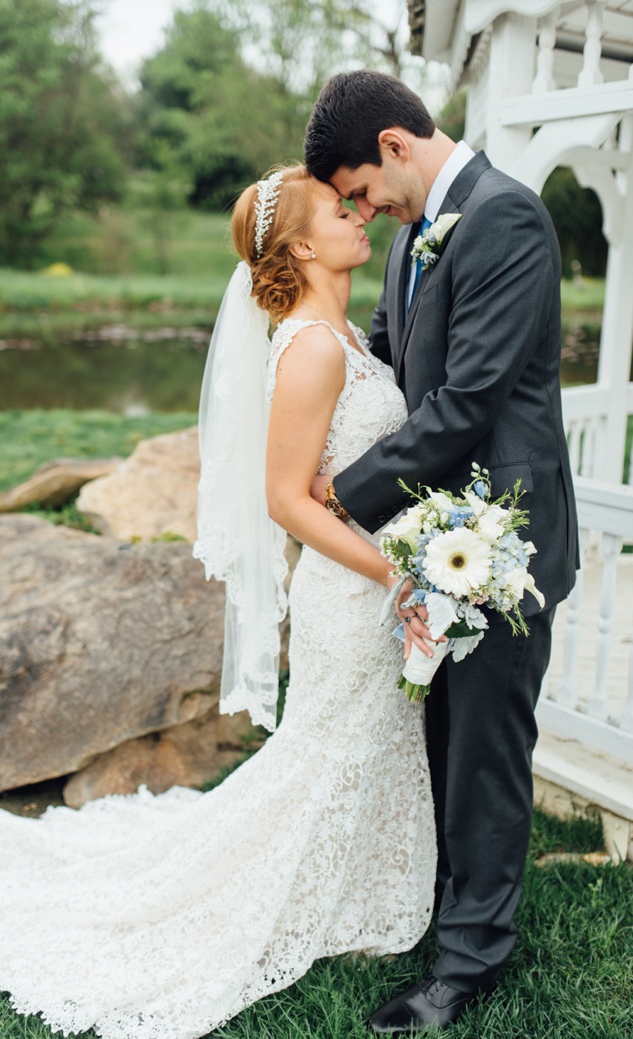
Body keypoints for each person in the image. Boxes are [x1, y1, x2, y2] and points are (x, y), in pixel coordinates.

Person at [0, 164, 436, 1039]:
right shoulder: (315, 347)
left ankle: (359, 893)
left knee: (348, 747)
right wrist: (393, 573)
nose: (360, 215)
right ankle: (308, 900)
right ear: (301, 246)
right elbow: (286, 499)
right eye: (339, 209)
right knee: (326, 752)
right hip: (354, 589)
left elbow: (332, 477)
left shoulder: (341, 332)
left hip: (365, 576)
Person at [303, 70, 578, 1032]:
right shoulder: (418, 230)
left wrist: (339, 492)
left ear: (394, 144)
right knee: (445, 733)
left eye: (359, 190)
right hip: (436, 533)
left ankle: (467, 964)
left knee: (487, 751)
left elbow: (466, 403)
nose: (361, 211)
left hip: (507, 532)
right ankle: (451, 906)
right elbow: (386, 357)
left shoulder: (504, 218)